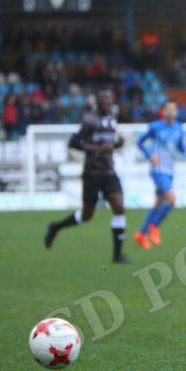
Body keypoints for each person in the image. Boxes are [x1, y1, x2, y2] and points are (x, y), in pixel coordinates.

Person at [44, 89, 129, 264]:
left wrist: (118, 143)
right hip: (92, 173)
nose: (106, 101)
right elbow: (74, 142)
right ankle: (56, 227)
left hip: (109, 172)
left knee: (119, 207)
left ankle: (117, 255)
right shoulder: (89, 119)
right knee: (87, 216)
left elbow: (110, 143)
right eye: (103, 99)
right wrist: (99, 149)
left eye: (108, 99)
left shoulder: (112, 119)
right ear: (97, 102)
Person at [133, 100, 186, 249]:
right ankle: (154, 226)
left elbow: (179, 145)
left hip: (170, 170)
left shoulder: (179, 128)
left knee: (158, 204)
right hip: (158, 170)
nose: (171, 112)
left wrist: (185, 151)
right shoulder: (155, 127)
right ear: (163, 111)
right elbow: (139, 142)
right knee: (171, 200)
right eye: (168, 109)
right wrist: (149, 155)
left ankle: (140, 234)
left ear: (177, 112)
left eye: (174, 109)